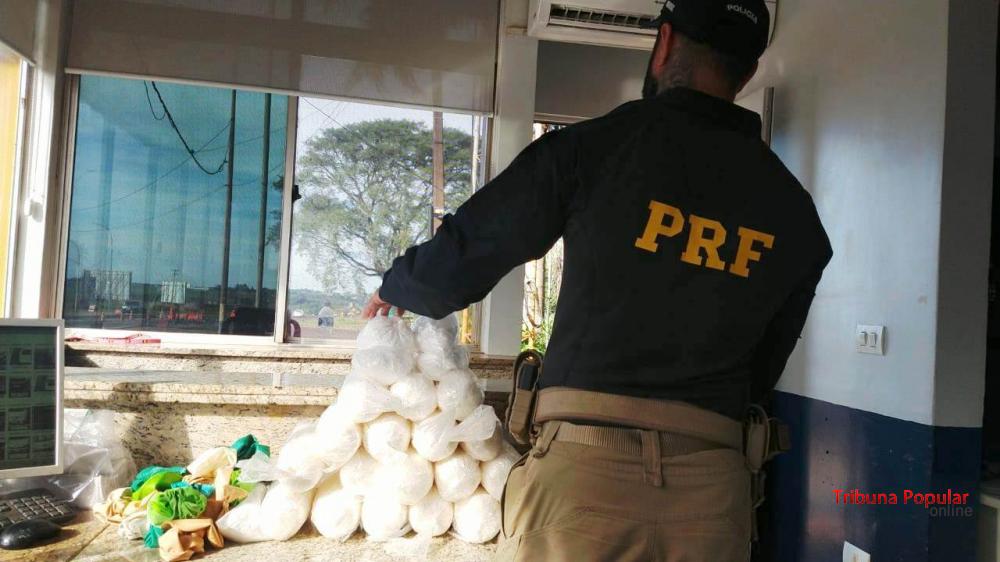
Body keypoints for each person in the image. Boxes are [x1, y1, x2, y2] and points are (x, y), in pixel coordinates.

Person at [363, 0, 831, 559]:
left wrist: (400, 286)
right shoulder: (796, 216)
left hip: (582, 479)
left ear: (662, 44)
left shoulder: (593, 150)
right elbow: (764, 370)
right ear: (747, 73)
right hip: (713, 489)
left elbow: (471, 251)